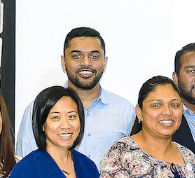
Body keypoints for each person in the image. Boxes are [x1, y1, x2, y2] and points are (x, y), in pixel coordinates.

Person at [17, 27, 136, 167]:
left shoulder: (125, 110)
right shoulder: (36, 109)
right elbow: (26, 164)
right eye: (76, 56)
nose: (86, 63)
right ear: (63, 62)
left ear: (105, 62)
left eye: (94, 56)